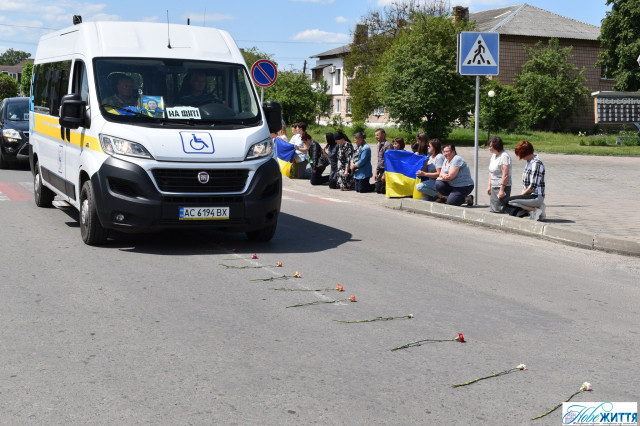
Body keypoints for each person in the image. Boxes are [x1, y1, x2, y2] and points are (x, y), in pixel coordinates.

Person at [504, 140, 546, 220]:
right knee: (513, 213)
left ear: (527, 153)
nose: (521, 158)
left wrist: (521, 196)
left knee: (507, 202)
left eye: (521, 155)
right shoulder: (529, 162)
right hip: (528, 195)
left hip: (536, 196)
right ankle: (531, 209)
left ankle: (535, 210)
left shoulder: (536, 164)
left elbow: (533, 186)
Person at [486, 136, 512, 213]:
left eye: (490, 146)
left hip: (501, 187)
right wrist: (489, 186)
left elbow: (505, 175)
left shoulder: (504, 156)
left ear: (496, 146)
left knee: (499, 210)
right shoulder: (494, 155)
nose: (489, 148)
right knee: (493, 209)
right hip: (494, 186)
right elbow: (491, 171)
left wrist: (501, 190)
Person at [373, 128, 392, 194]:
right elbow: (379, 160)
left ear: (383, 135)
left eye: (378, 135)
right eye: (375, 135)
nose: (376, 137)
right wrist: (376, 172)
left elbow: (389, 162)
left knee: (382, 191)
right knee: (378, 190)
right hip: (381, 169)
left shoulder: (388, 145)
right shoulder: (378, 144)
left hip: (386, 170)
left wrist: (384, 174)